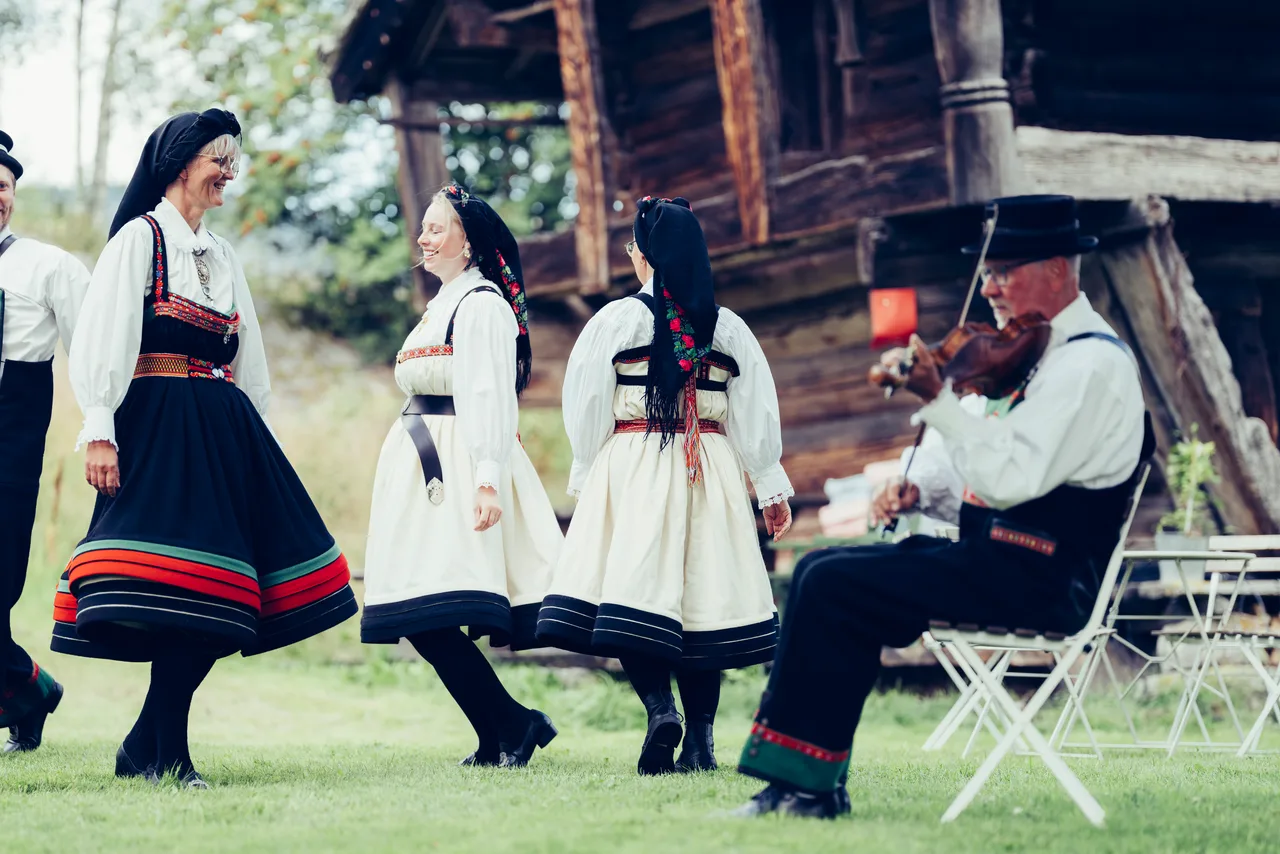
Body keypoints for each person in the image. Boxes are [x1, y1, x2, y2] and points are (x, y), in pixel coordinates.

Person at [733, 194, 1151, 818]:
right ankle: (804, 782)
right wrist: (923, 492)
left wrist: (942, 404)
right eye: (988, 272)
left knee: (834, 584)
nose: (990, 288)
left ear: (1060, 269)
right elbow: (993, 482)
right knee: (821, 570)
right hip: (1002, 561)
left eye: (1005, 270)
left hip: (1046, 578)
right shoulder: (1038, 357)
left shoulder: (1088, 365)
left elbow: (1012, 480)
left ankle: (806, 788)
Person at [54, 110, 358, 788]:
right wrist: (98, 426)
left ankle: (144, 745)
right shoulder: (140, 239)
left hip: (223, 433)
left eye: (234, 158)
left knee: (230, 600)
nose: (231, 171)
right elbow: (104, 335)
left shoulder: (219, 254)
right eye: (220, 158)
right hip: (158, 429)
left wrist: (257, 438)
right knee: (177, 593)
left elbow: (248, 357)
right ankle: (170, 754)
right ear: (182, 163)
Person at [537, 196, 793, 775]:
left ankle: (660, 711)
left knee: (627, 593)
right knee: (706, 600)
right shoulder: (728, 328)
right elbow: (755, 409)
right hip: (713, 467)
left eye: (632, 247)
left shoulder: (616, 320)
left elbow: (586, 403)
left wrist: (587, 472)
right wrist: (770, 485)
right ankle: (700, 744)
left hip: (635, 459)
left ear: (646, 254)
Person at [360, 183, 562, 768]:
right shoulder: (442, 305)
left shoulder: (482, 306)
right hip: (425, 468)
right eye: (422, 227)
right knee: (421, 610)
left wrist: (488, 479)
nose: (423, 237)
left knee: (432, 611)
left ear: (468, 242)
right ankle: (504, 729)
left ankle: (511, 727)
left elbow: (489, 396)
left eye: (436, 228)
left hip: (456, 468)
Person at [0, 130, 91, 753]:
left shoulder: (49, 266)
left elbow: (94, 354)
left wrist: (106, 429)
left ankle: (25, 695)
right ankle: (29, 692)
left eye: (1, 188)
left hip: (10, 435)